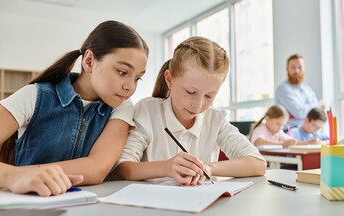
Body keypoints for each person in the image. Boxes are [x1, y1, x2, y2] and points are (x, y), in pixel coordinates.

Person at [0, 20, 149, 196]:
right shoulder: (34, 95)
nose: (130, 87)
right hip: (27, 204)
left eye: (138, 78)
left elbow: (97, 168)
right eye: (122, 72)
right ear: (89, 60)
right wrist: (15, 176)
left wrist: (35, 172)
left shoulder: (121, 107)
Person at [110, 36, 266, 186]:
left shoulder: (215, 119)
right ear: (169, 80)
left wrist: (208, 168)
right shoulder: (148, 111)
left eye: (209, 96)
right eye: (190, 92)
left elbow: (258, 164)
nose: (198, 105)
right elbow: (121, 168)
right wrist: (165, 167)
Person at [275, 54, 325, 129]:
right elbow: (299, 112)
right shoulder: (282, 89)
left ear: (304, 69)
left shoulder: (307, 89)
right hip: (291, 130)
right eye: (293, 67)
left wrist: (302, 111)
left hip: (309, 130)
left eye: (300, 67)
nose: (297, 71)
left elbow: (316, 113)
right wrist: (318, 104)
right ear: (287, 69)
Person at [249, 105, 320, 147]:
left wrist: (309, 143)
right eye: (278, 124)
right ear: (267, 119)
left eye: (282, 125)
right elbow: (258, 142)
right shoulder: (261, 129)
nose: (280, 128)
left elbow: (291, 141)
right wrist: (282, 144)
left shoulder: (278, 131)